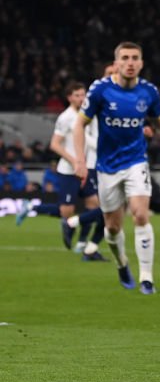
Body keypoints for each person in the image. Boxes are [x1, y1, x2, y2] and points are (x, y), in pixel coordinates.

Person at [74, 41, 160, 294]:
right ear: (116, 63)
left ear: (141, 63)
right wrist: (79, 160)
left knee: (140, 215)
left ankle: (147, 277)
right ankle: (122, 263)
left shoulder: (149, 92)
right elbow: (79, 125)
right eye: (125, 58)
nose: (130, 62)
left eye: (135, 58)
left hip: (136, 161)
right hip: (107, 166)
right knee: (112, 227)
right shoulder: (100, 90)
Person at [15, 82, 108, 260]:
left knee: (95, 205)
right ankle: (32, 207)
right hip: (69, 170)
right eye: (77, 95)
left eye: (83, 95)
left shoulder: (89, 114)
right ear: (69, 98)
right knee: (66, 212)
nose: (82, 98)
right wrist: (73, 160)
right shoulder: (66, 118)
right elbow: (54, 144)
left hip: (86, 168)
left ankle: (82, 243)